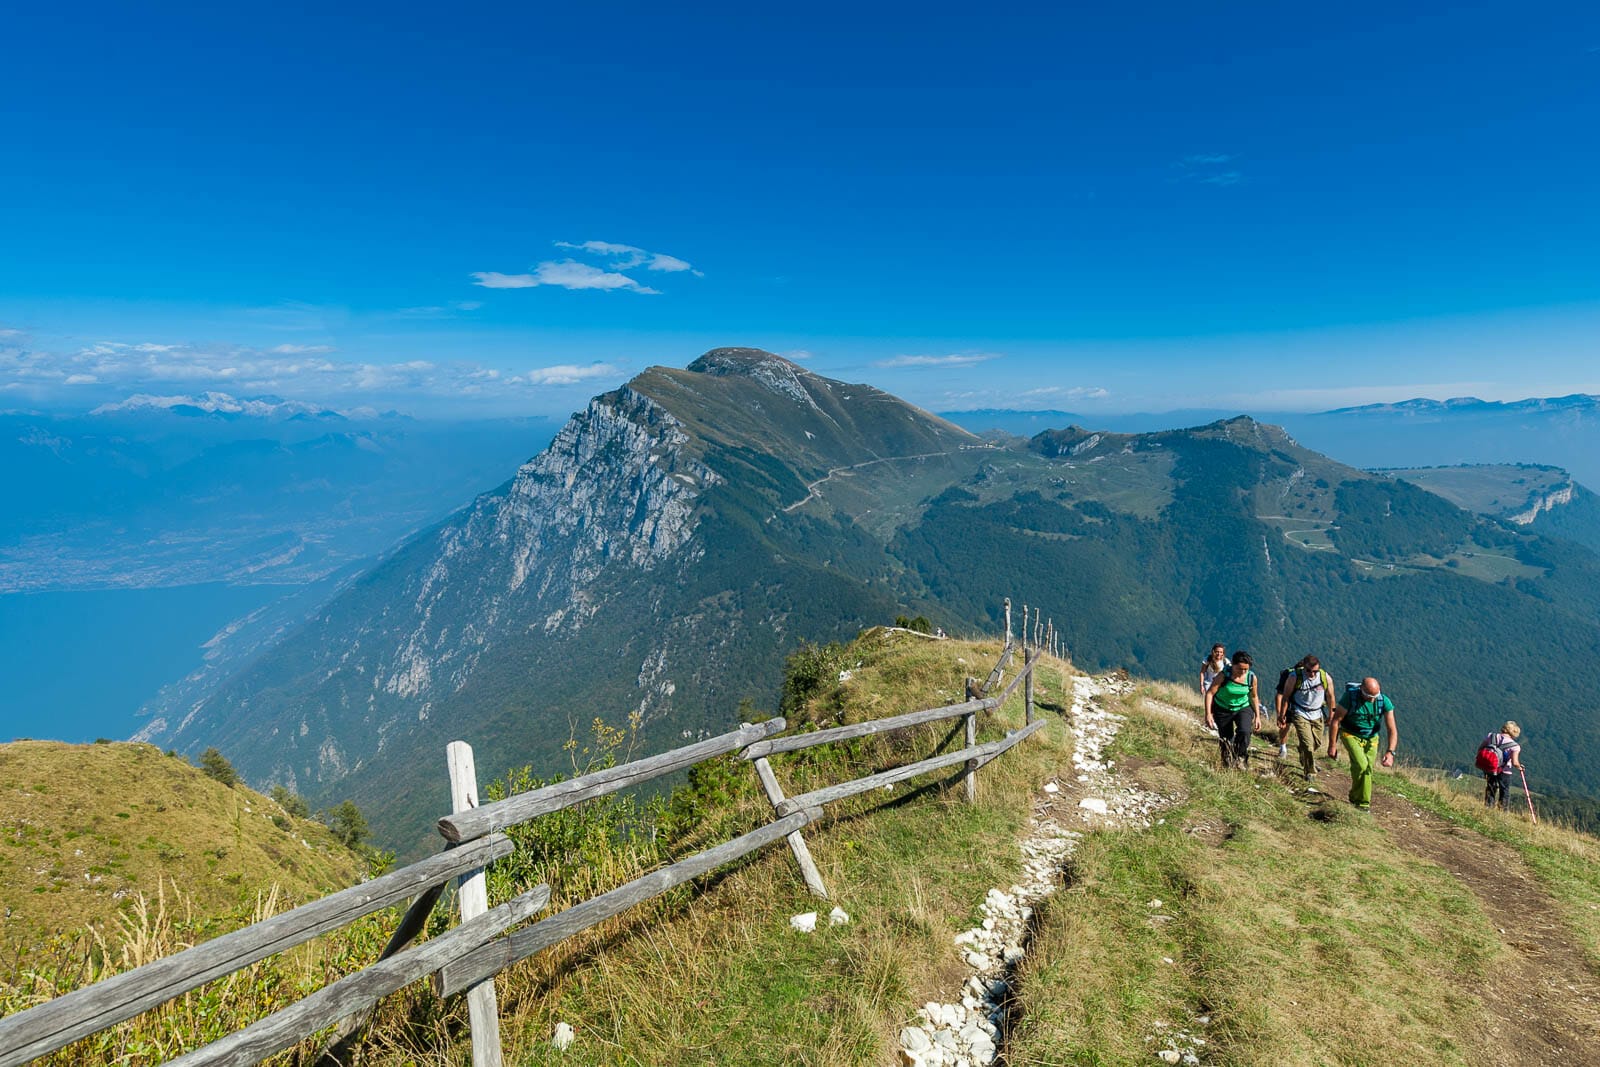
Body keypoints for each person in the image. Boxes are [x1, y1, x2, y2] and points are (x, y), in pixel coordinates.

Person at [1326, 677, 1398, 812]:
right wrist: (1332, 745)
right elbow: (1336, 721)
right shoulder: (1349, 698)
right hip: (1350, 734)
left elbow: (1392, 729)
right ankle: (1363, 803)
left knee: (1366, 769)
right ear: (1361, 690)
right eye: (1369, 696)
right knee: (1362, 765)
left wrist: (1390, 752)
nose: (1372, 699)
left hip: (1372, 737)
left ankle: (1354, 796)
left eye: (1375, 696)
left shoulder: (1384, 701)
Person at [1279, 655, 1334, 791]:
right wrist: (1282, 715)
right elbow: (1285, 697)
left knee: (1317, 743)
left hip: (1317, 713)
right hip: (1300, 712)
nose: (1312, 674)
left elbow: (1331, 696)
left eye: (1315, 671)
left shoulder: (1325, 677)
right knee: (1308, 745)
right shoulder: (1294, 677)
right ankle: (1310, 771)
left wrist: (1332, 714)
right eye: (1309, 671)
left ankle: (1303, 753)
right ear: (1304, 667)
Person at [1205, 650, 1260, 769]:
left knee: (1245, 732)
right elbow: (1210, 693)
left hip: (1243, 707)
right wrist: (1208, 714)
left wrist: (1257, 717)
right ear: (1233, 665)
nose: (1243, 672)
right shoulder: (1223, 675)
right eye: (1240, 669)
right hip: (1222, 708)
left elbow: (1254, 697)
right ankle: (1227, 763)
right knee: (1226, 739)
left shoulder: (1251, 677)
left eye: (1246, 669)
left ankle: (1240, 758)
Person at [1481, 721, 1524, 810]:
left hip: (1490, 767)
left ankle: (1488, 807)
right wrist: (1520, 767)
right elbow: (1515, 762)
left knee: (1491, 787)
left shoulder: (1491, 736)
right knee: (1504, 790)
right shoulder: (1515, 746)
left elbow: (1481, 748)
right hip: (1504, 770)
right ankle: (1502, 809)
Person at [1199, 644, 1230, 716]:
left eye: (1221, 652)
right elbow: (1202, 672)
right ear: (1213, 652)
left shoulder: (1226, 662)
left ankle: (1215, 718)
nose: (1219, 653)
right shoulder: (1207, 660)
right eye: (1217, 651)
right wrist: (1201, 685)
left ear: (1223, 653)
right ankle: (1209, 717)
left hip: (1220, 685)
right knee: (1210, 701)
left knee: (1218, 702)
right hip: (1209, 683)